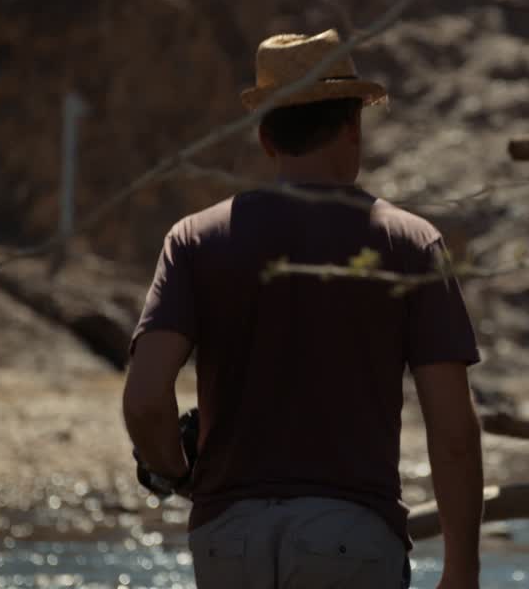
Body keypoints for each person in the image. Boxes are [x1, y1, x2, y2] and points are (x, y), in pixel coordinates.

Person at [122, 29, 484, 588]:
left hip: (228, 542)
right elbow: (453, 430)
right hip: (352, 540)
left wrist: (176, 474)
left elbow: (146, 400)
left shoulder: (194, 240)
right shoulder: (412, 244)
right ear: (352, 128)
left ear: (267, 138)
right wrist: (462, 569)